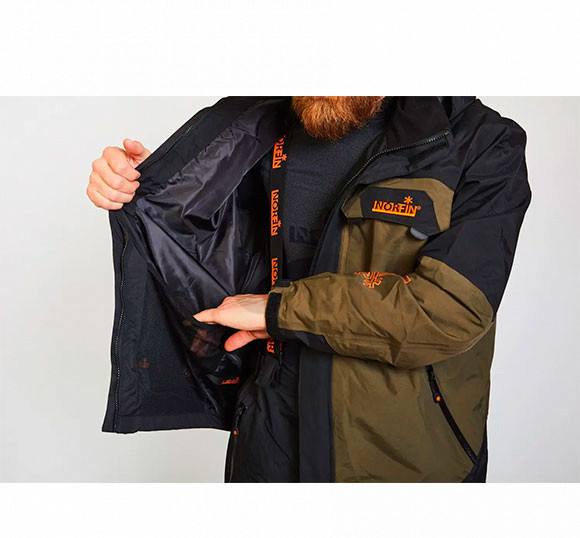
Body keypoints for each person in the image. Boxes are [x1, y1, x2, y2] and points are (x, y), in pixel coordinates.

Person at [88, 97, 531, 482]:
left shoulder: (481, 142)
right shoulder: (261, 125)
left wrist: (278, 310)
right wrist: (150, 188)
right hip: (267, 441)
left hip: (402, 458)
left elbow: (447, 311)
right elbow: (223, 251)